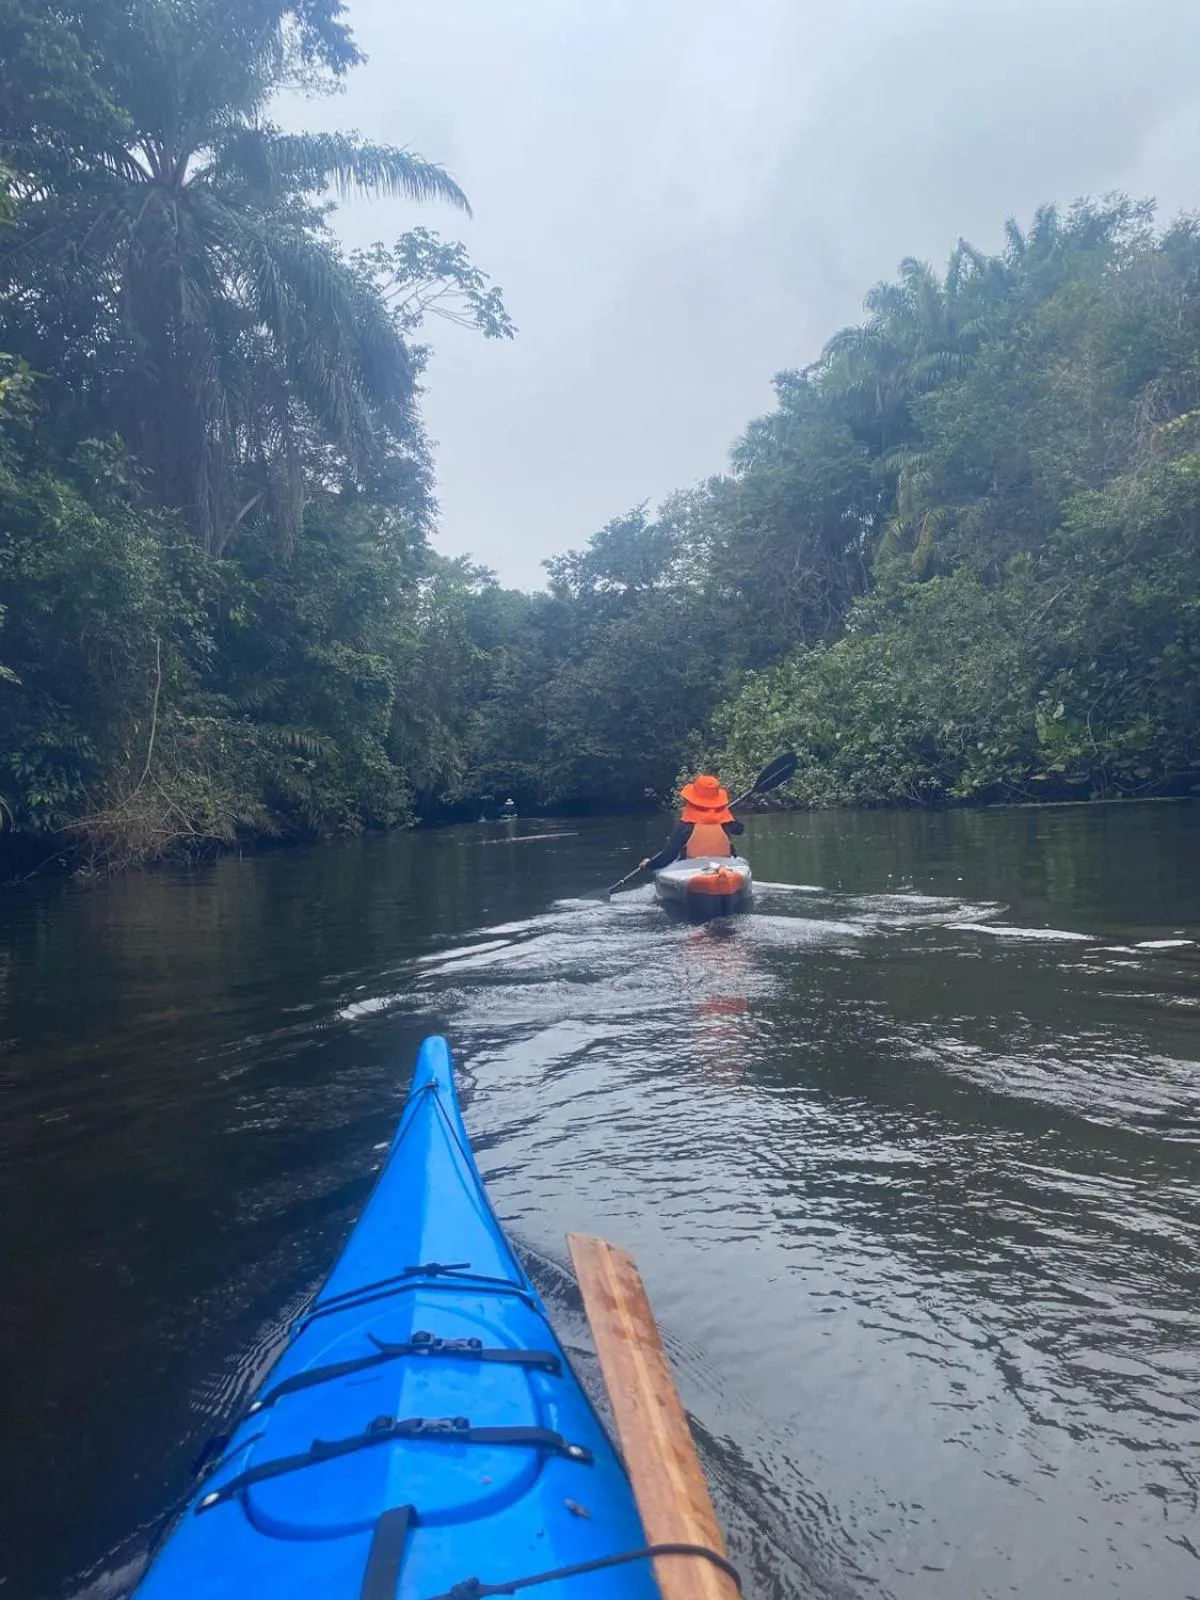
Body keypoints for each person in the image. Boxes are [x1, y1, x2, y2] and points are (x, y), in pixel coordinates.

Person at [639, 773, 744, 872]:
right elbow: (740, 830)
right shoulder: (727, 821)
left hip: (690, 868)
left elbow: (668, 856)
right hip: (724, 865)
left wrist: (649, 864)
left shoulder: (685, 825)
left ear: (691, 799)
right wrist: (724, 813)